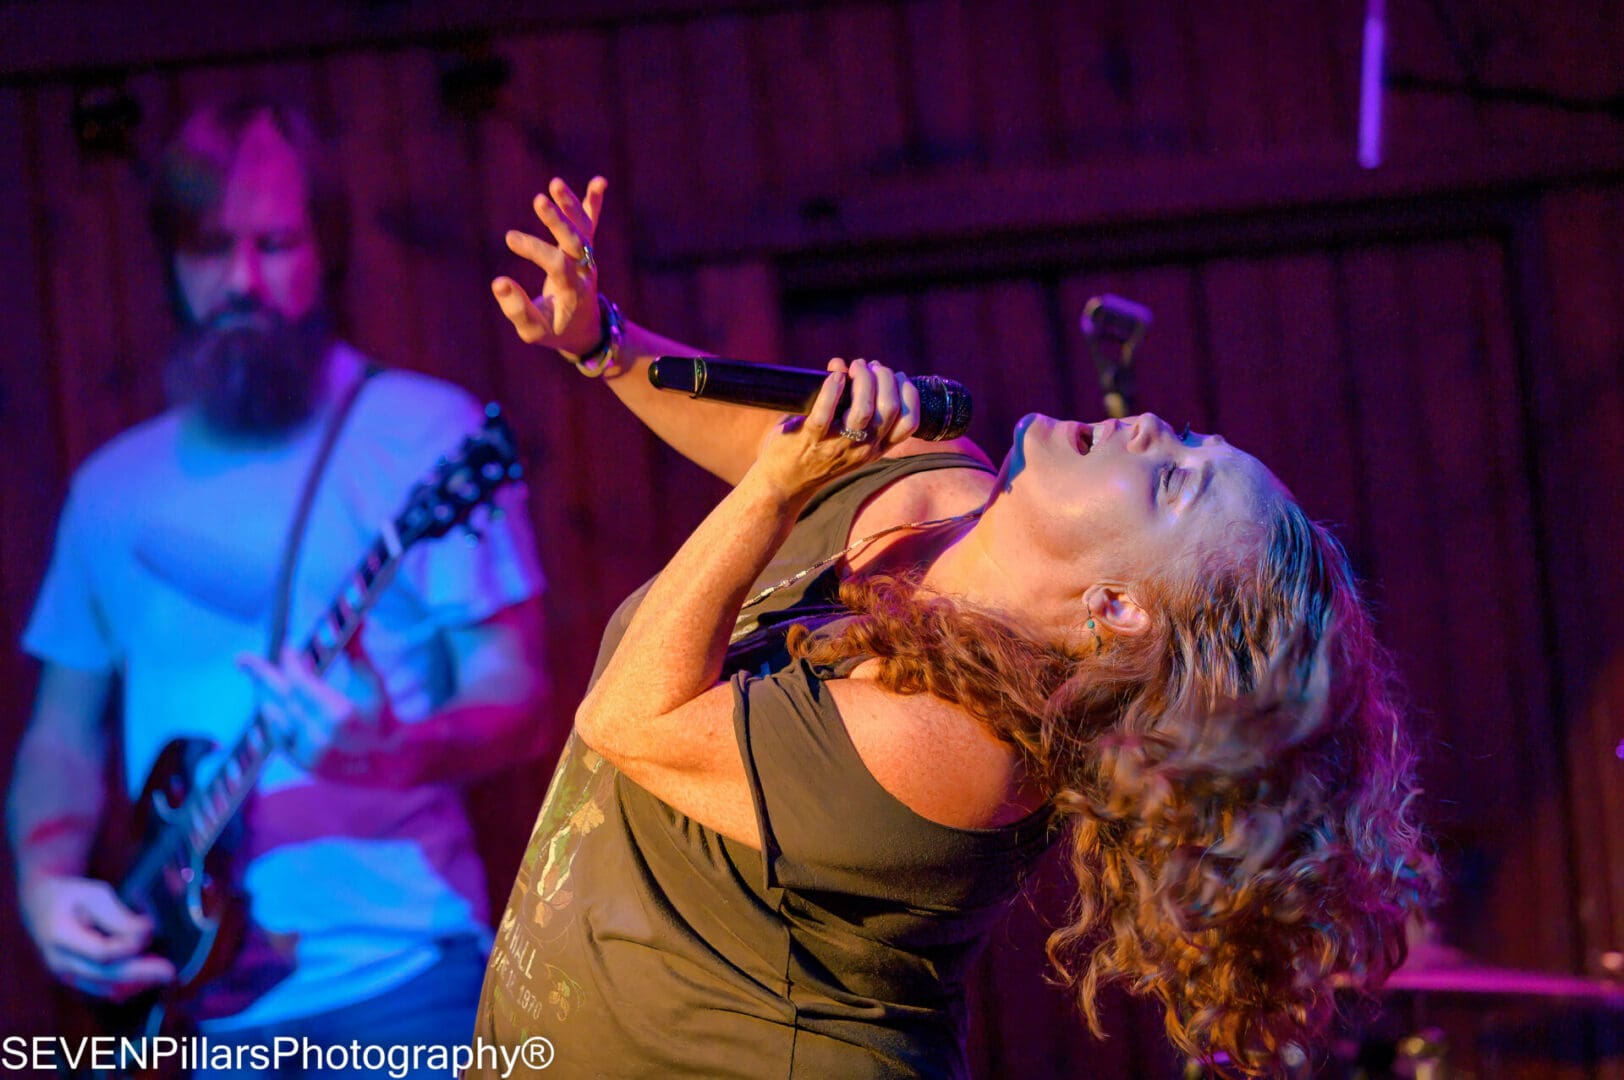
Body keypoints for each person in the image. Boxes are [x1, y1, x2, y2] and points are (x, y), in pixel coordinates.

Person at [469, 176, 1433, 1079]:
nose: (1148, 429)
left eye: (1174, 481)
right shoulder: (939, 479)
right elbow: (762, 443)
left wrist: (773, 491)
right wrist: (605, 342)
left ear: (1119, 610)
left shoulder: (962, 750)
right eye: (1186, 439)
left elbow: (630, 720)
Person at [6, 100, 550, 1073]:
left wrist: (397, 751)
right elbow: (61, 733)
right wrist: (47, 884)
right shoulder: (110, 489)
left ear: (324, 251)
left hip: (403, 977)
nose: (245, 280)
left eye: (276, 243)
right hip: (185, 998)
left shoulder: (429, 437)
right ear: (171, 262)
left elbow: (518, 694)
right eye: (212, 247)